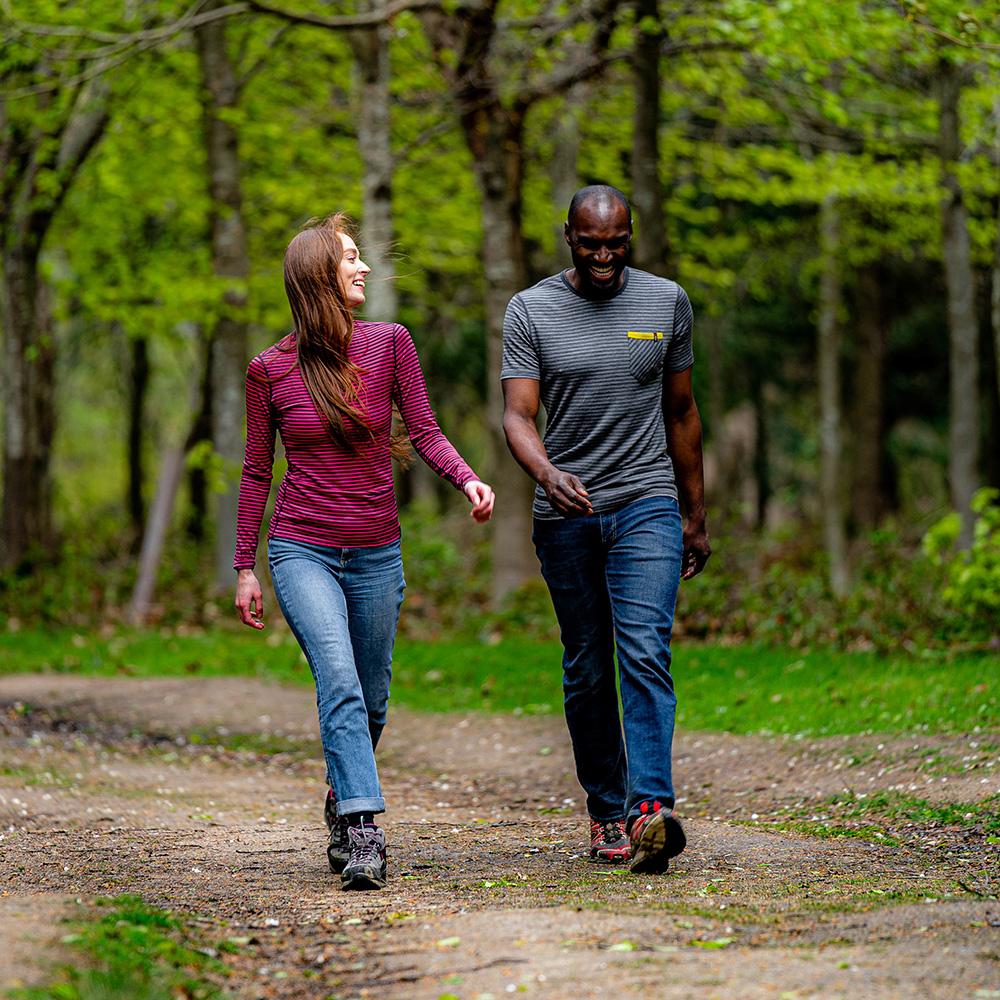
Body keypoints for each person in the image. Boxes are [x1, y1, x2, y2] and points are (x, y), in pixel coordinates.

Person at [234, 214, 494, 891]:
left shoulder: (390, 344)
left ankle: (338, 792)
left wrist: (466, 478)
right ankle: (362, 828)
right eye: (351, 258)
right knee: (339, 680)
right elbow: (257, 471)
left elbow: (426, 432)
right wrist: (244, 566)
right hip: (302, 550)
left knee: (372, 700)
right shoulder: (270, 370)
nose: (365, 268)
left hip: (377, 552)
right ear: (318, 274)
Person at [501, 185, 710, 874]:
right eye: (590, 244)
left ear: (631, 236)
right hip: (566, 514)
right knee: (588, 668)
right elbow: (517, 416)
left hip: (646, 498)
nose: (603, 256)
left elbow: (681, 411)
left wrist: (695, 514)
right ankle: (607, 810)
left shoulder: (665, 302)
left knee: (644, 649)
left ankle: (651, 810)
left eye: (615, 243)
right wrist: (546, 474)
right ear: (568, 236)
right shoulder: (531, 309)